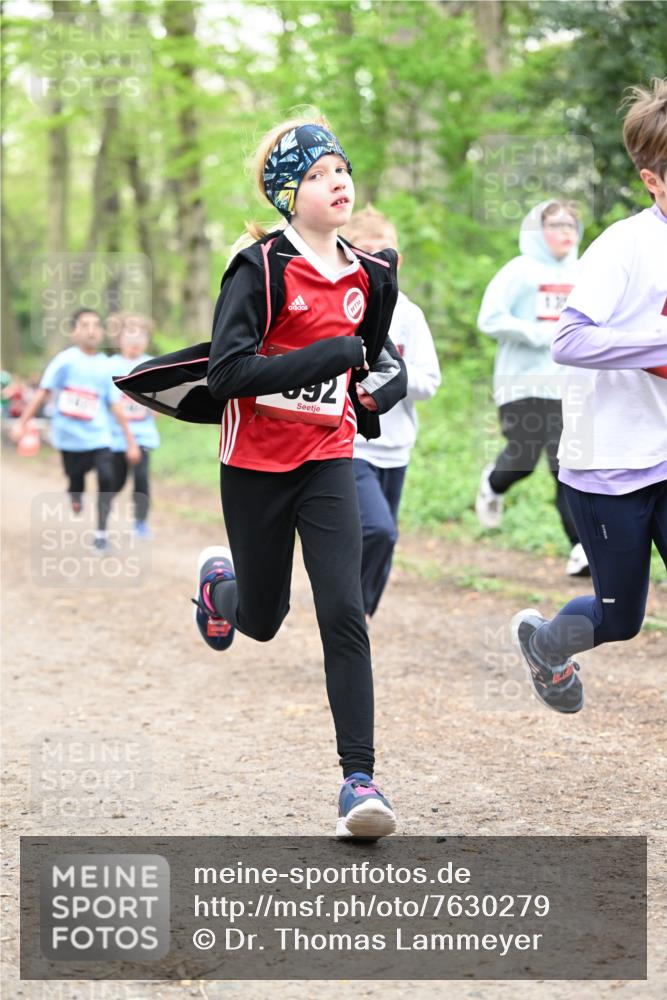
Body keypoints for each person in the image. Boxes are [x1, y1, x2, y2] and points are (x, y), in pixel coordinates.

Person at [114, 116, 407, 839]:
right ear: (286, 195)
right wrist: (328, 358)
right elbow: (229, 372)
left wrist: (370, 391)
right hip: (254, 465)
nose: (335, 181)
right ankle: (225, 591)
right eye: (314, 175)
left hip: (329, 456)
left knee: (343, 611)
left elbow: (373, 363)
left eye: (339, 168)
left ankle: (358, 782)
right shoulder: (260, 267)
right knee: (265, 620)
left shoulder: (371, 277)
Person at [511, 77, 667, 713]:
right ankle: (549, 644)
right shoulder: (623, 247)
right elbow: (570, 341)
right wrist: (659, 344)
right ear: (653, 180)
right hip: (610, 464)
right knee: (620, 618)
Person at [475, 200, 589, 577]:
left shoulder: (584, 272)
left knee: (566, 465)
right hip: (521, 383)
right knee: (522, 461)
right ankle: (492, 483)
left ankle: (580, 549)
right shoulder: (519, 271)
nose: (565, 232)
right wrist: (540, 334)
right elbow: (489, 318)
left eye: (571, 225)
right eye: (555, 225)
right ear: (536, 231)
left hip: (569, 384)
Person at [341, 206, 440, 622]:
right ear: (346, 252)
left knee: (382, 540)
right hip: (349, 445)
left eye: (385, 252)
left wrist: (389, 380)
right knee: (378, 530)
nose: (377, 261)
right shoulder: (339, 307)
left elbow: (429, 381)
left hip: (395, 447)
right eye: (365, 251)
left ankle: (356, 618)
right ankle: (351, 621)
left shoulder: (408, 314)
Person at [11, 308, 141, 549]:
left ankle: (101, 535)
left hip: (99, 435)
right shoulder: (65, 360)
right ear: (73, 332)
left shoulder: (105, 365)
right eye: (84, 325)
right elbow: (43, 392)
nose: (91, 331)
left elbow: (115, 404)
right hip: (69, 437)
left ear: (101, 332)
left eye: (95, 325)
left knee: (107, 477)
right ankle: (74, 492)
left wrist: (130, 441)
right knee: (75, 480)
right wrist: (22, 422)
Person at [108, 313, 160, 538]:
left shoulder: (152, 364)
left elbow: (160, 399)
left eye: (142, 334)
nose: (136, 339)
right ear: (119, 338)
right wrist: (129, 441)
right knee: (115, 481)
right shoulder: (111, 365)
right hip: (116, 437)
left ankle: (140, 522)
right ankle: (103, 517)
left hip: (144, 436)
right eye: (130, 333)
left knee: (141, 479)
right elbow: (113, 404)